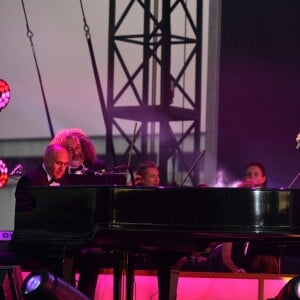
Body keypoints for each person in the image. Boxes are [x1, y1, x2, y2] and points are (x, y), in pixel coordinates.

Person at [13, 143, 106, 299]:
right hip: (34, 242)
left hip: (60, 241)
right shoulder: (29, 180)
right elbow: (25, 216)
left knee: (92, 259)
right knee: (59, 260)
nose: (63, 168)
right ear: (47, 160)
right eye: (58, 163)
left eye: (65, 164)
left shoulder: (65, 182)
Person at [220, 162, 278, 274]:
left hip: (263, 265)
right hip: (239, 266)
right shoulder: (236, 205)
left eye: (256, 174)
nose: (252, 177)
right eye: (248, 175)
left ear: (263, 179)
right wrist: (235, 269)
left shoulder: (270, 205)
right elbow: (227, 248)